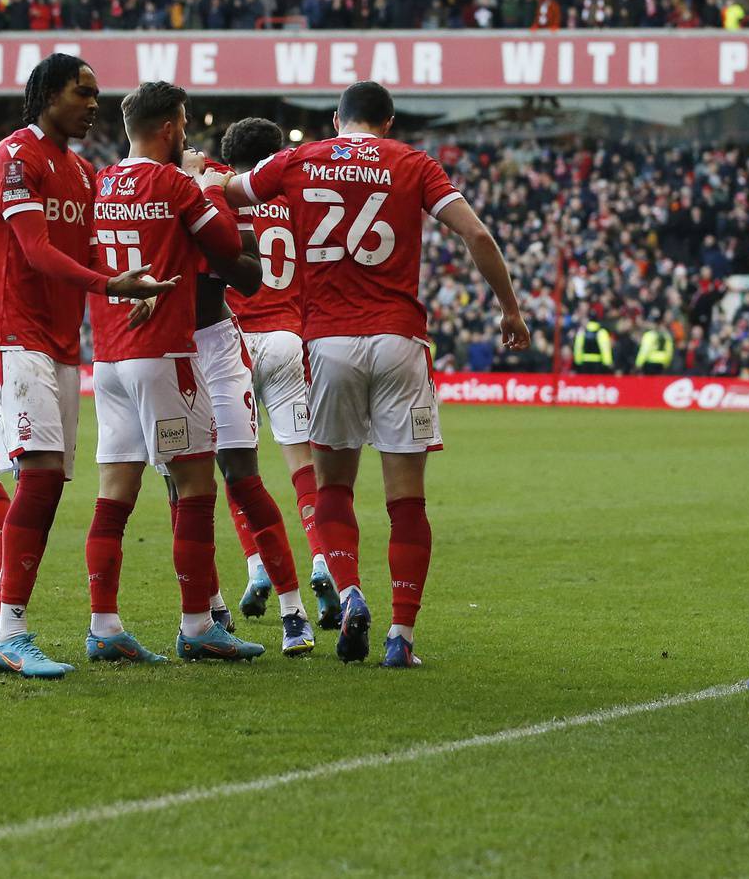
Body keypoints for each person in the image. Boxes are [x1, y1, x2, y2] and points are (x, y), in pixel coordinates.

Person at [219, 80, 530, 667]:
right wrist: (509, 309)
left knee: (333, 487)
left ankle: (351, 591)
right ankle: (402, 637)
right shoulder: (414, 163)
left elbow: (229, 193)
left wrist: (195, 174)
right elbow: (477, 234)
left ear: (338, 120)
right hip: (399, 341)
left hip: (328, 343)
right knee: (406, 501)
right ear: (387, 123)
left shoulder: (300, 157)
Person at [0, 55, 172, 678]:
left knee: (51, 480)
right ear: (47, 95)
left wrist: (133, 285)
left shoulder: (83, 173)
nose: (93, 104)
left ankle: (60, 631)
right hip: (12, 336)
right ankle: (8, 629)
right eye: (83, 92)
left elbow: (85, 254)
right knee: (37, 476)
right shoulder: (14, 158)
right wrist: (115, 288)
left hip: (58, 345)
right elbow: (35, 251)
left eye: (96, 92)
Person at [84, 82, 264, 664]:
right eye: (183, 123)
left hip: (109, 357)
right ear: (170, 127)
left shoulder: (99, 183)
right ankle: (196, 625)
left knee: (114, 494)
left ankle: (104, 625)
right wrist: (202, 187)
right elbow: (228, 245)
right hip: (165, 351)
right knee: (194, 486)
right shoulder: (174, 183)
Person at [188, 143, 314, 652]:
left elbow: (243, 266)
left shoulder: (208, 187)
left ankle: (289, 607)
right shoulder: (176, 186)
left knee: (238, 476)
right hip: (188, 349)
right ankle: (208, 612)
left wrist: (206, 190)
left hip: (222, 344)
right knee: (193, 486)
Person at [219, 116, 342, 629]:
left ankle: (255, 566)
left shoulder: (222, 196)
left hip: (235, 342)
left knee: (235, 465)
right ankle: (322, 561)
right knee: (303, 465)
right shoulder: (297, 202)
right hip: (289, 339)